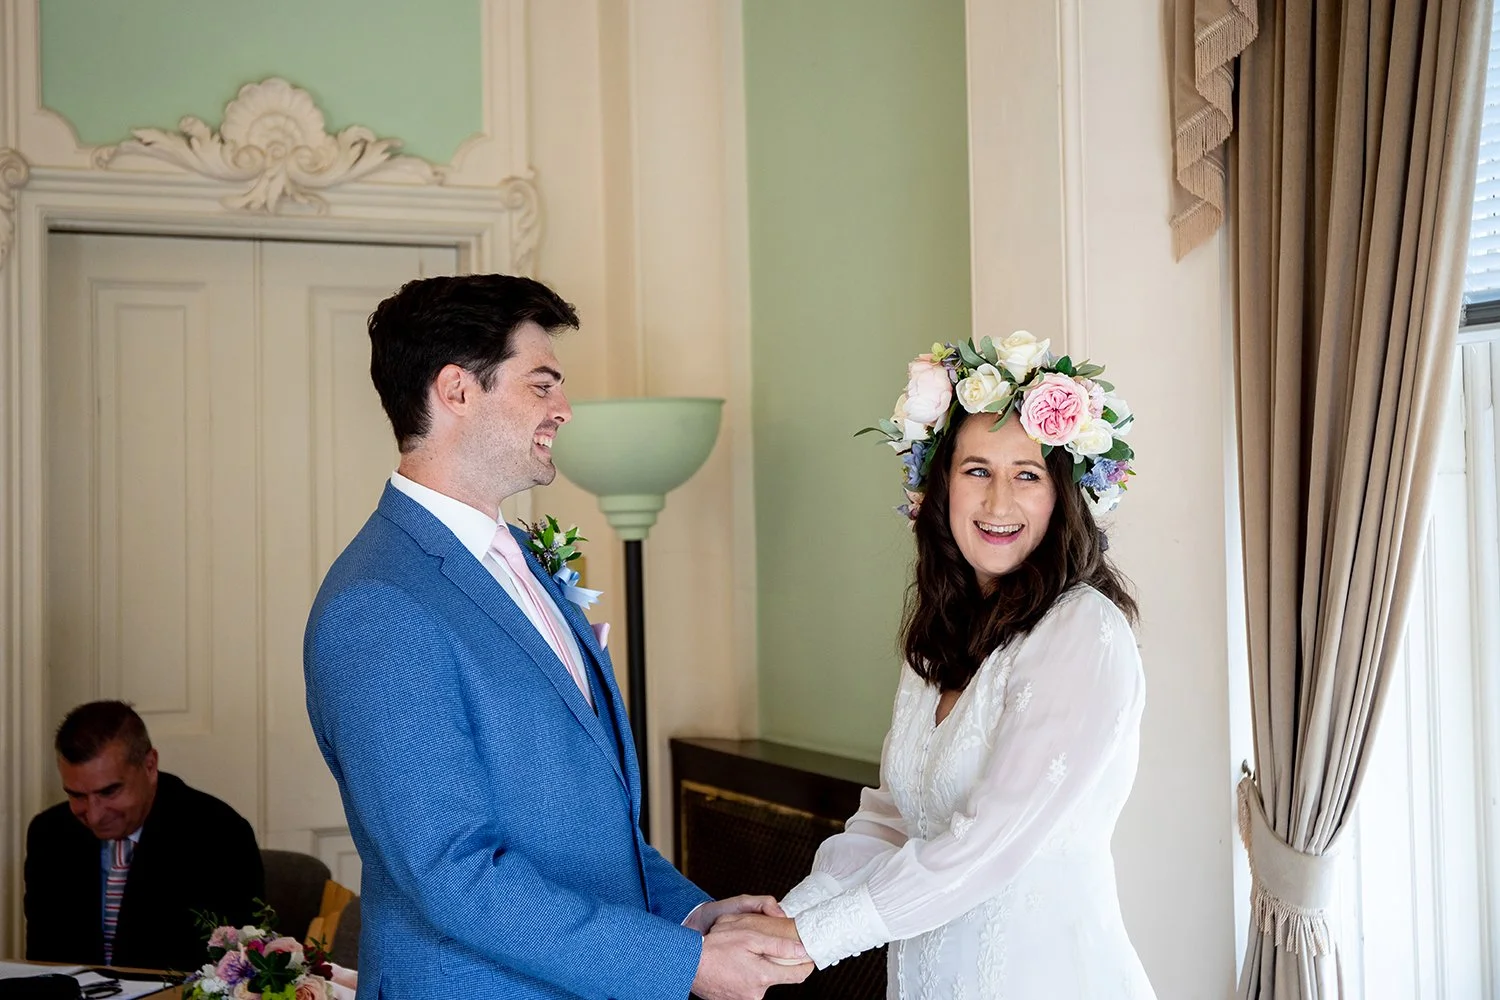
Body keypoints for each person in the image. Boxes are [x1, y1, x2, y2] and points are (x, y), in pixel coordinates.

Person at [302, 274, 811, 1000]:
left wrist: (691, 915)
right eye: (542, 385)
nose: (565, 410)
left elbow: (582, 825)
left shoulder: (521, 564)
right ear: (456, 390)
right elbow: (454, 875)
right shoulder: (380, 603)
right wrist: (684, 965)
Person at [723, 334, 1156, 997]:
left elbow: (987, 846)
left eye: (1028, 475)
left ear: (1064, 495)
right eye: (976, 470)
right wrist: (788, 920)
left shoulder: (1082, 630)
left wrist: (814, 941)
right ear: (941, 484)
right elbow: (891, 822)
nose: (998, 502)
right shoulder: (938, 639)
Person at [24, 701, 264, 972]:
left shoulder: (219, 834)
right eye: (76, 795)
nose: (94, 815)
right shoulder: (49, 834)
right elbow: (43, 961)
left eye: (109, 792)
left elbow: (228, 970)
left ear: (150, 766)